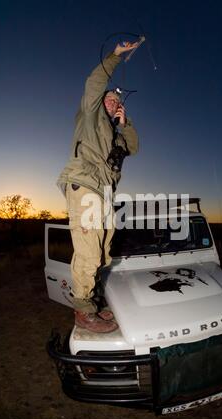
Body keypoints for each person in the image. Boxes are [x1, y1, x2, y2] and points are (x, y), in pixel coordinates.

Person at [57, 42, 139, 333]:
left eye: (117, 104)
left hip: (104, 193)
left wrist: (124, 123)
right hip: (85, 183)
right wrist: (115, 56)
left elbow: (134, 147)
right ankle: (83, 310)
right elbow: (95, 82)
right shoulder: (90, 116)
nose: (113, 104)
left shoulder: (115, 135)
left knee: (103, 252)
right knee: (90, 250)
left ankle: (92, 300)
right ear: (99, 101)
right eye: (110, 100)